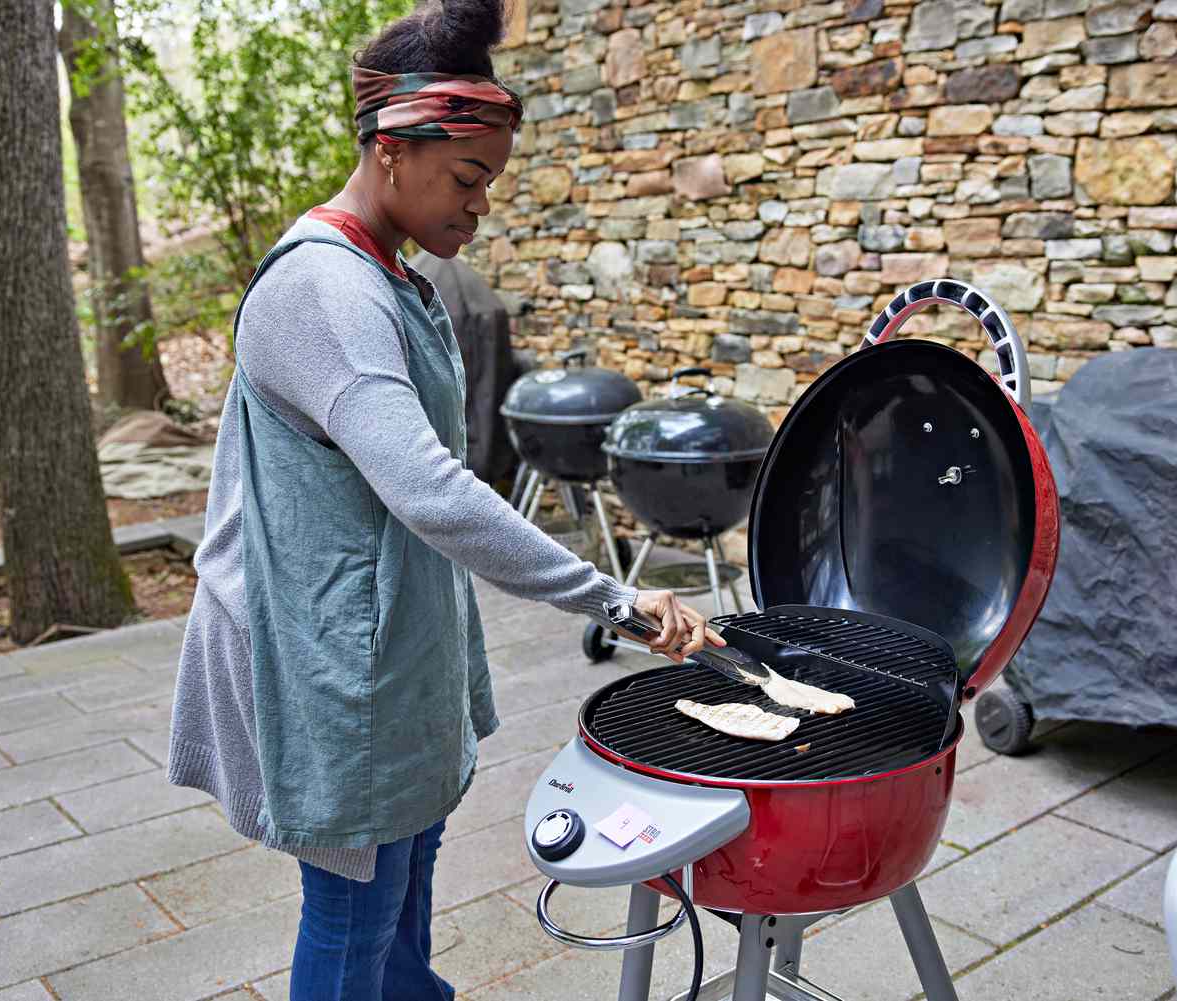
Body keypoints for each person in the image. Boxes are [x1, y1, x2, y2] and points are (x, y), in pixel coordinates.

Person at [164, 1, 723, 998]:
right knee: (354, 914)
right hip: (325, 660)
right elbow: (431, 490)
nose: (481, 204)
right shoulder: (327, 292)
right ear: (391, 150)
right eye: (468, 178)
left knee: (404, 895)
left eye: (490, 182)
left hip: (383, 653)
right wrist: (616, 598)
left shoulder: (392, 274)